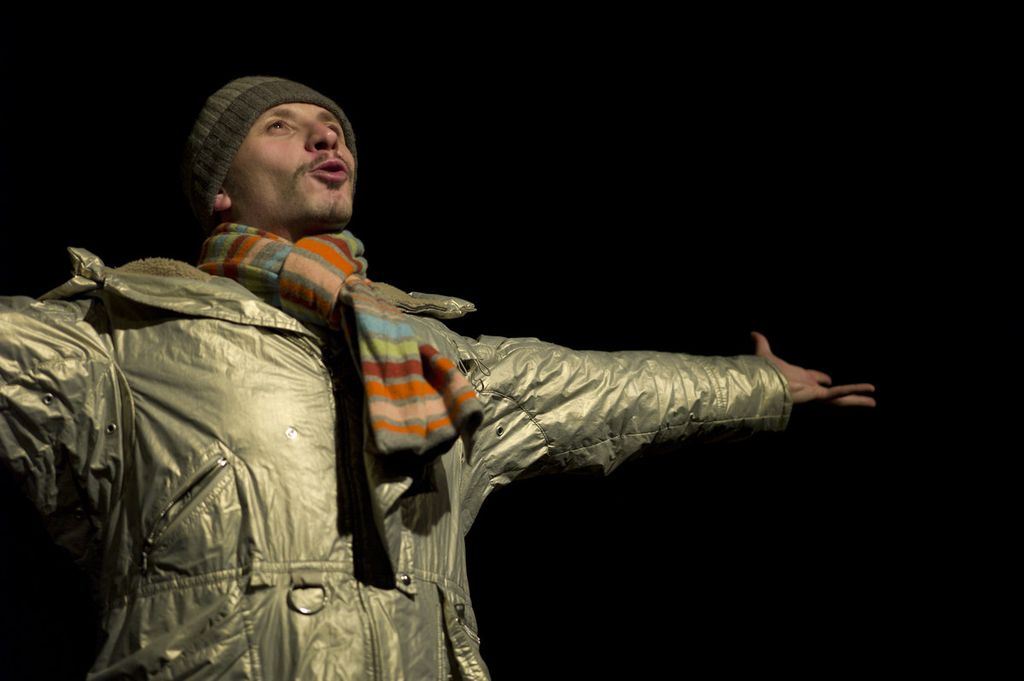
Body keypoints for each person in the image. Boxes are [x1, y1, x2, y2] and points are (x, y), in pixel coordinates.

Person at [0, 76, 876, 680]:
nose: (326, 136)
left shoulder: (431, 359)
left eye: (333, 128)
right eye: (282, 126)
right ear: (220, 190)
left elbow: (605, 387)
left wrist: (758, 386)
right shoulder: (123, 334)